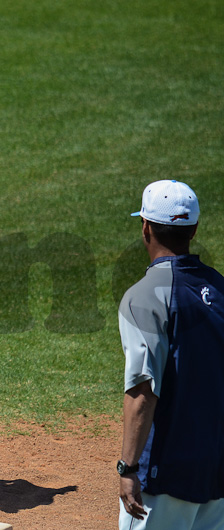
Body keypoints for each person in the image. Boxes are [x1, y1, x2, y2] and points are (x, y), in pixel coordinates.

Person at [117, 179, 224, 529]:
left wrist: (128, 468)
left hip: (165, 477)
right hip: (217, 474)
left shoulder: (144, 297)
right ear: (193, 230)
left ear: (145, 227)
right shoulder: (220, 288)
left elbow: (143, 391)